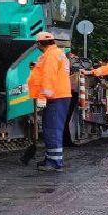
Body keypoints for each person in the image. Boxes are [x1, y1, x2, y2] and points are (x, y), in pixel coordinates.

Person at [25, 30, 72, 171]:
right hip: (59, 96)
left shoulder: (51, 56)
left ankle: (55, 163)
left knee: (52, 129)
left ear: (40, 44)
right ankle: (50, 158)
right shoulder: (56, 54)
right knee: (51, 128)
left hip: (55, 97)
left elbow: (49, 77)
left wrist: (43, 97)